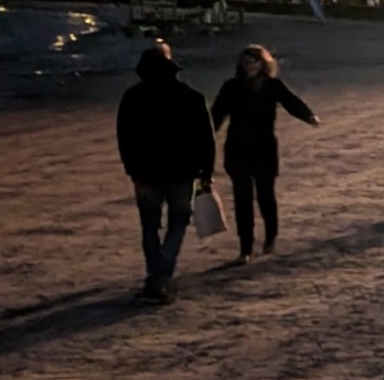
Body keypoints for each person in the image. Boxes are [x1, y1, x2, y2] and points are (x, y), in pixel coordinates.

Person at [116, 42, 216, 304]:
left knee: (149, 226)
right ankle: (162, 276)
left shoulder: (133, 97)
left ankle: (156, 276)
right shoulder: (191, 97)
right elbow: (205, 139)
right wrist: (206, 171)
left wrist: (132, 168)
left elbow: (125, 138)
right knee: (178, 224)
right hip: (183, 173)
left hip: (146, 174)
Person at [210, 44, 319, 261]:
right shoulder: (231, 87)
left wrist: (308, 116)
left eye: (254, 62)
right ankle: (245, 248)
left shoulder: (273, 85)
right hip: (237, 148)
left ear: (263, 64)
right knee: (242, 200)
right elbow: (217, 114)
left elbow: (291, 102)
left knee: (265, 195)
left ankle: (270, 237)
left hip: (264, 147)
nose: (250, 66)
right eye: (246, 62)